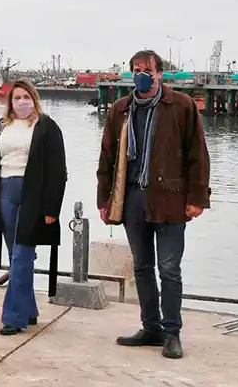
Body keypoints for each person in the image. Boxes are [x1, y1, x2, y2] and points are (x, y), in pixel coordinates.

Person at [97, 50, 210, 359]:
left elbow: (197, 155)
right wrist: (104, 200)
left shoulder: (181, 106)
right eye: (135, 69)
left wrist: (197, 199)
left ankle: (172, 333)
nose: (140, 74)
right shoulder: (121, 109)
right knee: (143, 267)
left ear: (160, 73)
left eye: (146, 69)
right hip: (133, 198)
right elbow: (107, 157)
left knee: (169, 268)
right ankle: (151, 328)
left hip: (171, 200)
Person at [0, 80, 67, 336]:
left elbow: (57, 170)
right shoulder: (0, 126)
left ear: (34, 98)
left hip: (33, 195)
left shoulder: (47, 127)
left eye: (26, 96)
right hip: (5, 191)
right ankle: (28, 310)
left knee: (21, 255)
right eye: (16, 97)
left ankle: (13, 317)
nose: (21, 102)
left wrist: (53, 208)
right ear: (10, 102)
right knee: (17, 255)